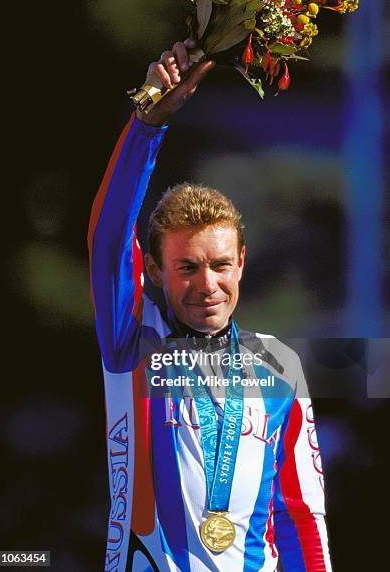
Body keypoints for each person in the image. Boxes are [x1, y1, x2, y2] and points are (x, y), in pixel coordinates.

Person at [88, 39, 332, 572]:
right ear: (154, 270)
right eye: (187, 267)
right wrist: (148, 124)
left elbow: (301, 519)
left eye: (221, 265)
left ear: (241, 262)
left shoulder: (281, 368)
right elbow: (108, 242)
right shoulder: (135, 343)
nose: (208, 285)